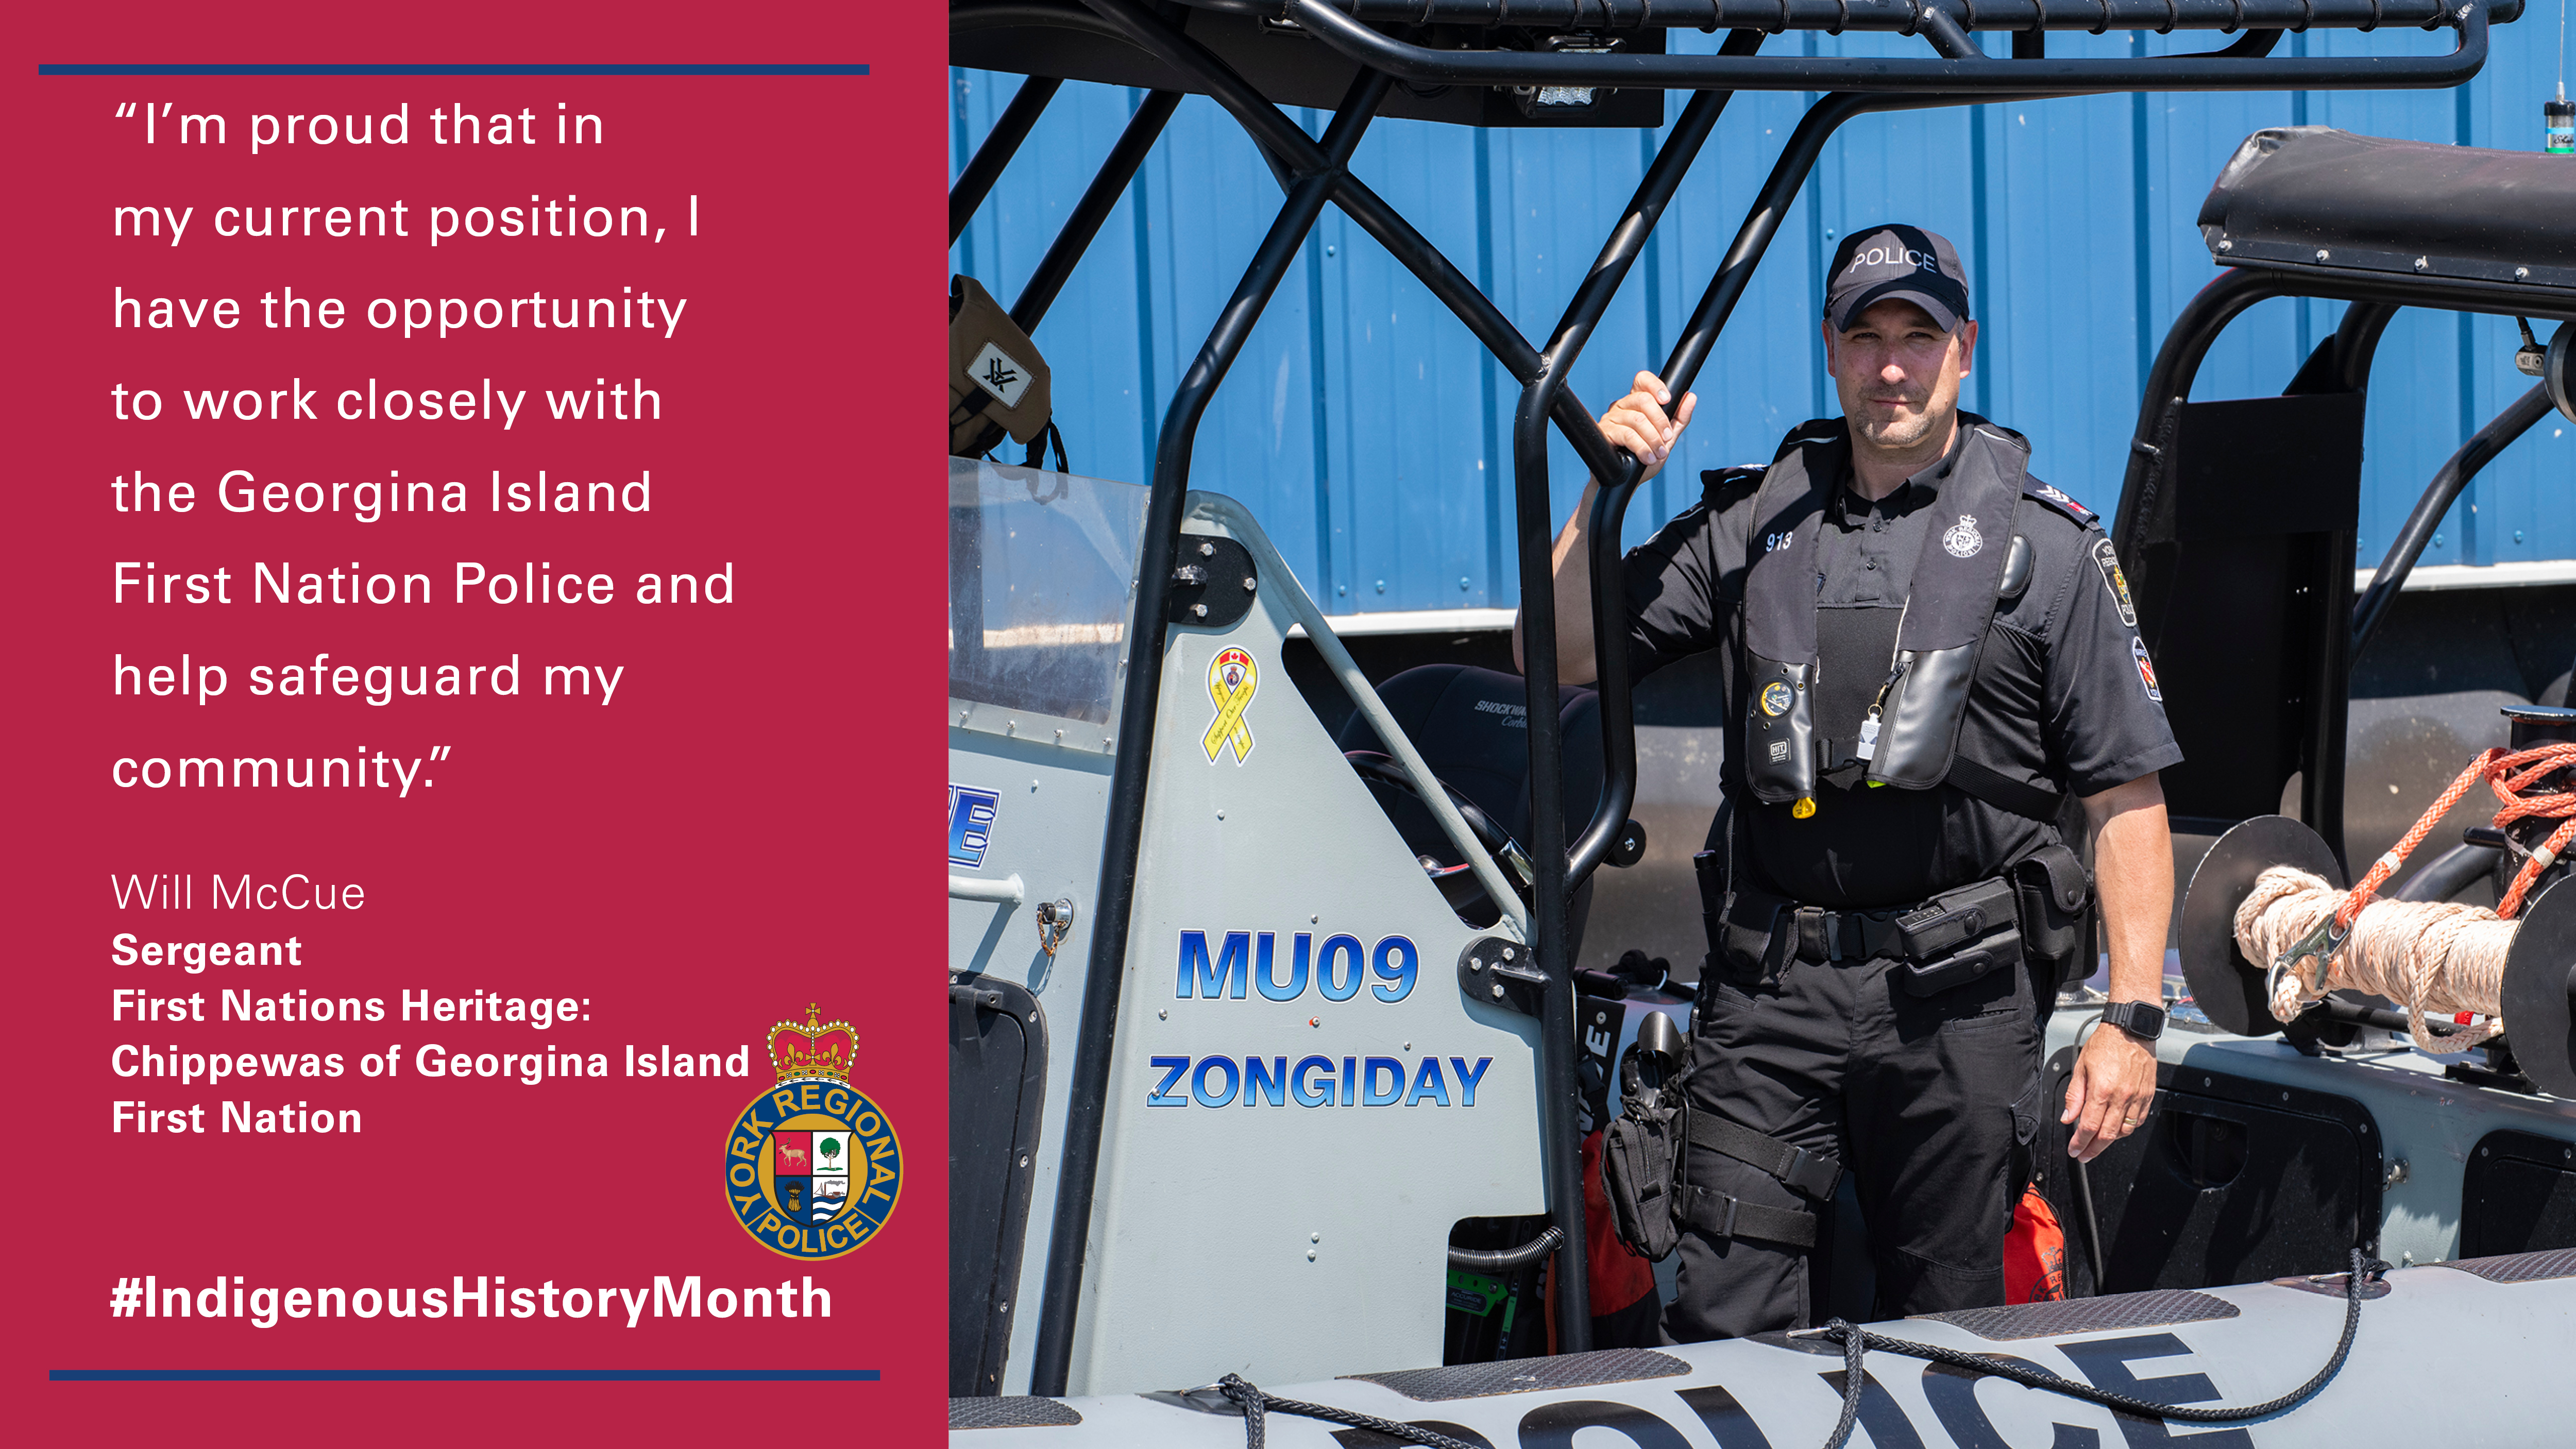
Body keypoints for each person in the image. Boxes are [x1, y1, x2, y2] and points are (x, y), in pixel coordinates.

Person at [1516, 225, 2179, 1337]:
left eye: (1916, 337)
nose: (1888, 366)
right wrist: (1600, 496)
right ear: (1828, 350)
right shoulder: (1749, 524)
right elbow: (1561, 654)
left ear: (1963, 349)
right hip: (1771, 997)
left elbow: (2124, 800)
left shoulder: (2050, 551)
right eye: (1863, 336)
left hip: (1956, 1008)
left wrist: (2134, 1019)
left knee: (1954, 1322)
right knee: (1726, 1316)